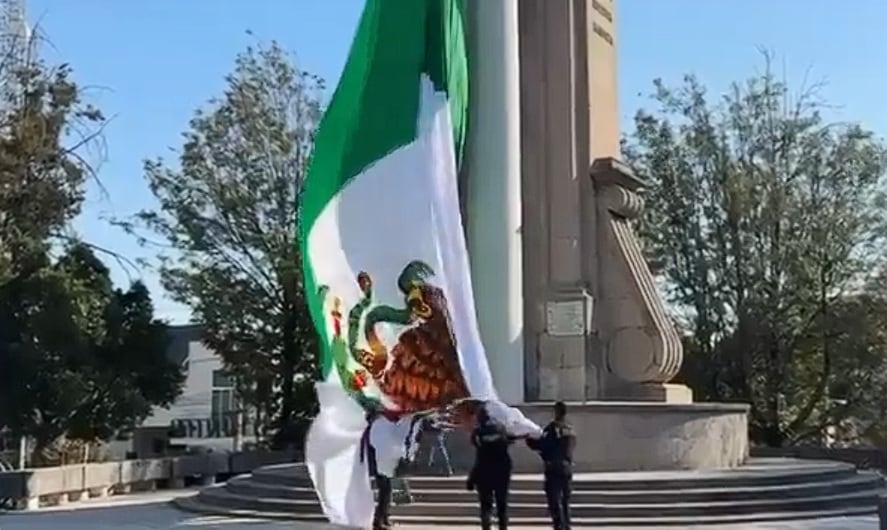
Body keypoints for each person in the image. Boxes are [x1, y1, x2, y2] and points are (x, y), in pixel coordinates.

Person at [526, 401, 575, 530]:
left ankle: (559, 526)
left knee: (554, 501)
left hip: (554, 469)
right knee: (565, 501)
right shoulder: (569, 429)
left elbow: (542, 444)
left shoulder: (552, 428)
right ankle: (566, 526)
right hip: (567, 468)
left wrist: (529, 439)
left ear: (556, 412)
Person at [469, 404, 514, 530]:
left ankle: (487, 527)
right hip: (502, 471)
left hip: (485, 472)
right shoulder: (501, 428)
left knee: (486, 506)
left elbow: (479, 456)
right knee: (502, 503)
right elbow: (509, 440)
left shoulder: (478, 433)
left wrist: (472, 478)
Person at [360, 409, 392, 530]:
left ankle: (384, 517)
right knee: (384, 490)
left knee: (387, 490)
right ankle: (378, 520)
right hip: (379, 463)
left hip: (384, 462)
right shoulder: (373, 430)